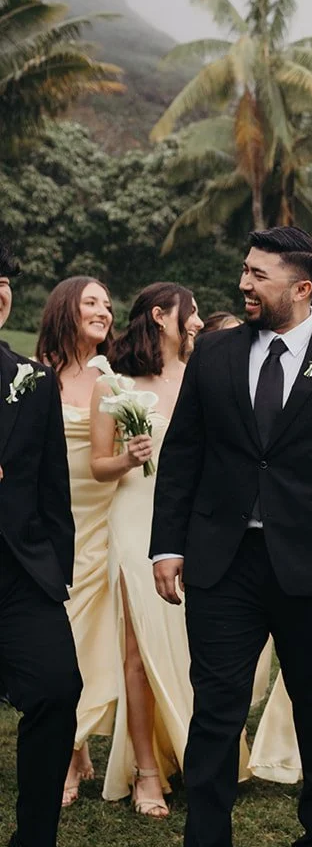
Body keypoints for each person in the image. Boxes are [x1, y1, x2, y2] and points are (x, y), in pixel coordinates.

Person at [148, 227, 312, 847]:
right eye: (244, 272)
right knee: (216, 712)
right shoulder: (215, 351)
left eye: (259, 275)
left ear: (302, 288)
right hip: (223, 562)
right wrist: (168, 545)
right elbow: (184, 451)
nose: (244, 284)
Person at [91, 284, 211, 818]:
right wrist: (126, 456)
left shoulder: (201, 377)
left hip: (190, 527)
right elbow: (98, 465)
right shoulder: (114, 384)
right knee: (136, 650)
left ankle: (194, 751)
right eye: (192, 312)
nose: (200, 321)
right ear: (161, 316)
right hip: (134, 519)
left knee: (194, 646)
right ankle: (145, 771)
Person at [0, 238, 95, 847]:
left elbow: (52, 486)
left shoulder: (31, 381)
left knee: (58, 689)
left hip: (19, 574)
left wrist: (54, 571)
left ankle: (35, 843)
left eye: (1, 281)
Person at [36, 277, 120, 805]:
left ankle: (69, 749)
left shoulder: (112, 378)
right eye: (92, 302)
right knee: (60, 634)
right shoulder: (34, 373)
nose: (103, 311)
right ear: (66, 308)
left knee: (86, 635)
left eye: (108, 305)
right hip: (49, 520)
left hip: (100, 518)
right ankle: (79, 749)